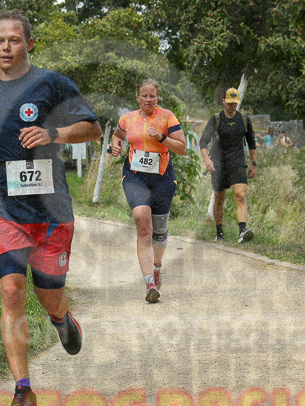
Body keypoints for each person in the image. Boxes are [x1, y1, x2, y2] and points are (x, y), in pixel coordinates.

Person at [0, 9, 102, 406]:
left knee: (49, 293)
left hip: (50, 211)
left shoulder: (53, 84)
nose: (6, 47)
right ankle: (23, 393)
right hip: (1, 209)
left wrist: (54, 133)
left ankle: (61, 318)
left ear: (29, 43)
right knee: (11, 290)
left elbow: (92, 127)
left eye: (14, 40)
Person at [109, 79, 188, 304]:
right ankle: (149, 283)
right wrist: (115, 145)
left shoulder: (167, 117)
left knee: (160, 230)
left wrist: (161, 137)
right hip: (135, 175)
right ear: (137, 98)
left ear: (158, 98)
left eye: (152, 96)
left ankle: (157, 266)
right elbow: (117, 135)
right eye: (144, 96)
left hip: (162, 176)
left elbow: (182, 148)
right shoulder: (127, 118)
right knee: (143, 221)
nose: (148, 100)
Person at [200, 87, 258, 244]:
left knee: (240, 195)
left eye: (235, 103)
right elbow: (203, 142)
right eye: (230, 103)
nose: (232, 106)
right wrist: (207, 160)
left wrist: (254, 164)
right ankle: (219, 233)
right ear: (224, 101)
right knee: (219, 198)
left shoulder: (244, 120)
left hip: (238, 163)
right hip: (218, 163)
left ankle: (242, 231)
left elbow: (252, 143)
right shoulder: (216, 119)